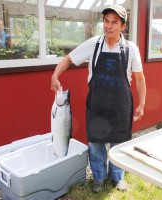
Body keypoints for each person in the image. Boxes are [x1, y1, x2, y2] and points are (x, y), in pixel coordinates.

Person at [51, 4, 146, 193]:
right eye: (106, 21)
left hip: (121, 106)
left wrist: (142, 103)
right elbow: (69, 59)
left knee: (119, 144)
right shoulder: (93, 44)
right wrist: (55, 75)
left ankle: (117, 177)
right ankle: (99, 178)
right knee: (96, 144)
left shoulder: (131, 49)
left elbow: (140, 79)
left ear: (123, 26)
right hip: (97, 105)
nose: (109, 26)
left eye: (114, 22)